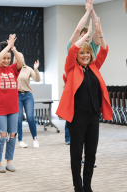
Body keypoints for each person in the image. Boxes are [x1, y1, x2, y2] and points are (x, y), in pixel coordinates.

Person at [56, 18, 112, 192]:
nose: (85, 56)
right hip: (77, 116)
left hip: (94, 116)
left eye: (87, 53)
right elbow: (72, 49)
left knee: (91, 154)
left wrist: (99, 31)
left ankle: (87, 185)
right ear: (77, 57)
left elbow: (104, 50)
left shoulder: (95, 67)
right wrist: (87, 34)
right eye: (82, 54)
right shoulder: (71, 69)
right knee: (76, 154)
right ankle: (78, 186)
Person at [65, 0, 100, 145]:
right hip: (75, 87)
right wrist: (86, 12)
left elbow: (98, 31)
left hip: (90, 85)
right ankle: (70, 138)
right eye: (83, 36)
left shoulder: (92, 48)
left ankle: (87, 156)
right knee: (76, 121)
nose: (85, 39)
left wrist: (92, 11)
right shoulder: (72, 48)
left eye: (87, 37)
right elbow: (76, 31)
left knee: (90, 127)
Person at [0, 34, 24, 173]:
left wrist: (13, 48)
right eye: (5, 58)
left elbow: (21, 60)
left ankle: (9, 161)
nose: (6, 60)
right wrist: (7, 47)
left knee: (12, 135)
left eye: (8, 58)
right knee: (2, 135)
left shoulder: (13, 69)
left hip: (13, 108)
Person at [14, 55, 40, 148]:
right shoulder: (12, 69)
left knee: (30, 117)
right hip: (17, 96)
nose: (20, 58)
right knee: (19, 118)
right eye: (18, 57)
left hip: (28, 95)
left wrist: (36, 69)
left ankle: (35, 139)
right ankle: (20, 140)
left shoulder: (28, 69)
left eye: (22, 57)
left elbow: (37, 79)